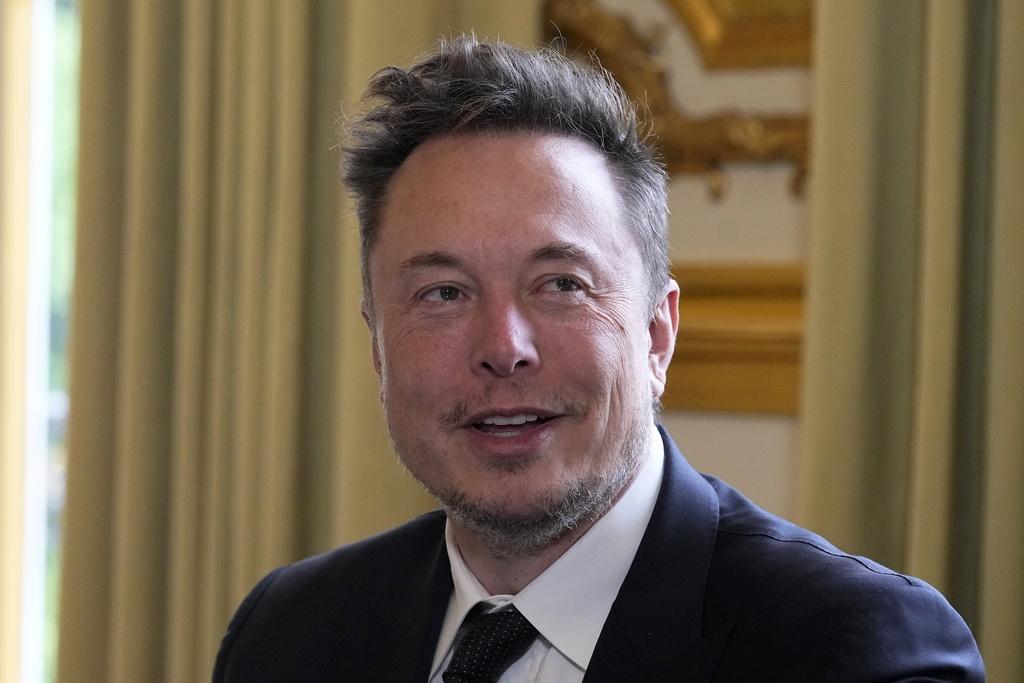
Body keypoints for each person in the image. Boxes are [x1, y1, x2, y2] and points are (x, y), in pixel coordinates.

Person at [212, 36, 984, 682]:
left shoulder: (853, 652)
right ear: (378, 346)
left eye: (561, 284)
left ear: (658, 334)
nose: (503, 348)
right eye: (443, 293)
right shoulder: (289, 634)